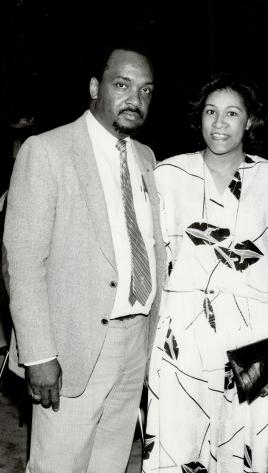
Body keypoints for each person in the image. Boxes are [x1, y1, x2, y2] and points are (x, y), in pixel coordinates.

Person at [3, 40, 165, 473]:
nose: (135, 99)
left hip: (135, 343)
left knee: (110, 463)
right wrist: (38, 354)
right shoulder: (48, 151)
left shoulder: (147, 158)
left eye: (146, 90)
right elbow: (22, 262)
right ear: (96, 87)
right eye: (123, 84)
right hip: (73, 347)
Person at [142, 72, 268, 473]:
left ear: (250, 121)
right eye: (211, 112)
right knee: (181, 447)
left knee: (246, 447)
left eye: (232, 113)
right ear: (199, 118)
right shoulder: (168, 174)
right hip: (182, 335)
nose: (220, 123)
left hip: (255, 337)